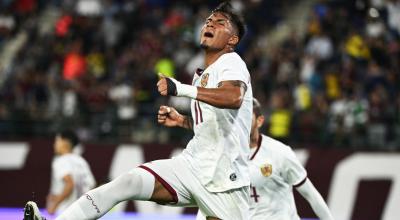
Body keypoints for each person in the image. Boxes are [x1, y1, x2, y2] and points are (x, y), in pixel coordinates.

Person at [24, 2, 253, 220]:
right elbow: (219, 124)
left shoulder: (231, 62)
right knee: (128, 182)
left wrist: (181, 89)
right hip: (192, 166)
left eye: (220, 22)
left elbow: (233, 97)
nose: (210, 23)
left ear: (233, 39)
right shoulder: (204, 72)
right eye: (209, 20)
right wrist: (183, 121)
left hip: (225, 181)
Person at [197, 98, 333, 220]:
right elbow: (210, 202)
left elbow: (310, 194)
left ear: (259, 121)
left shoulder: (280, 152)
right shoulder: (223, 157)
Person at [46, 131, 96, 215]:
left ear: (65, 142)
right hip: (83, 213)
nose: (54, 144)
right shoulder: (82, 161)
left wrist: (55, 204)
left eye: (57, 141)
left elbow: (70, 184)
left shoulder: (60, 161)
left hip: (66, 212)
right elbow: (91, 185)